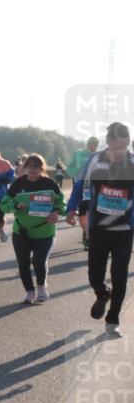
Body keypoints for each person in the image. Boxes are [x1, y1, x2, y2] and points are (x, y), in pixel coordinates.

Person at [66, 122, 134, 337]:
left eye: (123, 147)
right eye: (115, 148)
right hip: (98, 227)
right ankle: (102, 293)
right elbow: (79, 185)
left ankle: (112, 321)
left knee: (120, 276)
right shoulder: (94, 161)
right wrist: (71, 208)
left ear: (129, 144)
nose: (118, 153)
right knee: (95, 274)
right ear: (108, 144)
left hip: (124, 229)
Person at [0, 154, 66, 304]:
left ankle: (41, 287)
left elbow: (62, 203)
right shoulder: (17, 184)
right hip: (21, 231)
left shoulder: (49, 184)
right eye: (29, 166)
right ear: (24, 167)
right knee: (23, 263)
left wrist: (56, 212)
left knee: (39, 261)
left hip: (44, 231)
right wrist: (15, 206)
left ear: (42, 168)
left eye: (36, 166)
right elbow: (3, 204)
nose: (32, 169)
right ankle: (29, 292)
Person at [68, 136, 100, 250]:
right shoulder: (79, 154)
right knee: (83, 213)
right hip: (82, 185)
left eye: (94, 144)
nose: (92, 145)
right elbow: (70, 167)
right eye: (91, 143)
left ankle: (90, 236)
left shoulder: (100, 156)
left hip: (97, 187)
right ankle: (86, 234)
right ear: (87, 143)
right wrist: (76, 175)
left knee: (94, 214)